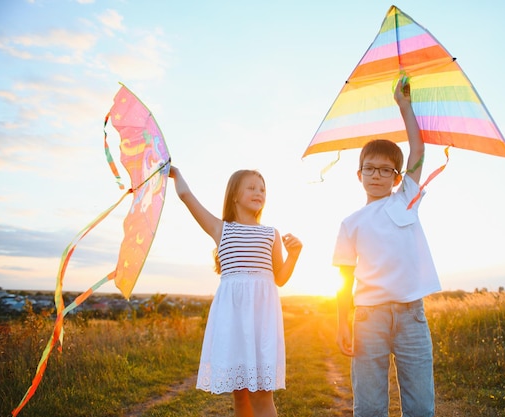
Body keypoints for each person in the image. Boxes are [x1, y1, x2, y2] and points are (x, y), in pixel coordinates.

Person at [333, 79, 441, 417]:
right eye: (369, 168)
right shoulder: (350, 223)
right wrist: (342, 322)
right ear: (358, 174)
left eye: (385, 170)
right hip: (368, 318)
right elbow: (344, 279)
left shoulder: (406, 199)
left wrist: (404, 106)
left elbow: (419, 152)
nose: (376, 175)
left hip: (411, 315)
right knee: (368, 407)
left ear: (397, 177)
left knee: (421, 406)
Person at [169, 166, 303, 417]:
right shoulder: (221, 229)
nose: (259, 192)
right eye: (251, 187)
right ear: (234, 195)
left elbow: (281, 278)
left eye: (262, 189)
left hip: (261, 321)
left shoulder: (270, 233)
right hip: (232, 321)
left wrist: (294, 255)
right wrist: (176, 174)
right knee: (240, 396)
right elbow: (186, 196)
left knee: (263, 394)